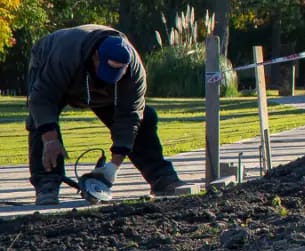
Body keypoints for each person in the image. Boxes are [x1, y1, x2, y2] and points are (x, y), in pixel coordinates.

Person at [26, 24, 194, 206]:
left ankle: (161, 177)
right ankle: (47, 183)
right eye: (108, 69)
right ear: (96, 56)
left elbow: (130, 118)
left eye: (118, 72)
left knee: (144, 120)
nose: (112, 76)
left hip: (100, 89)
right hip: (52, 63)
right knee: (41, 122)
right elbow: (41, 100)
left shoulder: (133, 72)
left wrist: (112, 168)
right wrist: (50, 140)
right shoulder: (64, 57)